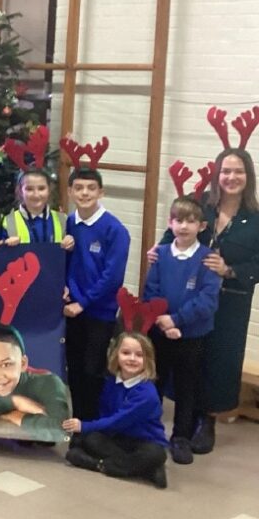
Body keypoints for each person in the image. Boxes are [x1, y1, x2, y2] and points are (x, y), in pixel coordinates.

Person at [151, 147, 259, 453]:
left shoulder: (255, 219)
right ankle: (186, 415)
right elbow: (174, 232)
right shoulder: (202, 207)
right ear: (216, 174)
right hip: (190, 298)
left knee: (219, 360)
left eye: (239, 171)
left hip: (231, 302)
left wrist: (231, 270)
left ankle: (207, 419)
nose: (231, 177)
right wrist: (158, 250)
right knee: (190, 356)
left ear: (248, 176)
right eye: (226, 171)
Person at [143, 196, 221, 464]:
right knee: (155, 384)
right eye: (178, 220)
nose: (184, 226)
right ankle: (149, 432)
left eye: (190, 221)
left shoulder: (208, 259)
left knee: (187, 389)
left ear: (201, 226)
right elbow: (150, 291)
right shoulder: (160, 255)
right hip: (159, 332)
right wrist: (162, 321)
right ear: (170, 223)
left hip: (192, 336)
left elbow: (208, 300)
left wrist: (177, 320)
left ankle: (181, 438)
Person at [63, 167, 130, 422]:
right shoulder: (68, 223)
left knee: (93, 371)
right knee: (75, 370)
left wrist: (83, 302)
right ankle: (79, 422)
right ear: (70, 192)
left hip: (98, 313)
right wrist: (65, 289)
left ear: (101, 192)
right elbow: (63, 264)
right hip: (71, 310)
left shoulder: (115, 230)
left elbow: (112, 277)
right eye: (78, 188)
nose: (84, 193)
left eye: (91, 188)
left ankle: (93, 425)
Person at [62, 332, 168, 489]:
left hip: (144, 441)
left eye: (139, 355)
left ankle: (97, 465)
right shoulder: (112, 382)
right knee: (87, 440)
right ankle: (144, 469)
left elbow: (118, 420)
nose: (132, 359)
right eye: (126, 353)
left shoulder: (147, 394)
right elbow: (105, 414)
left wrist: (83, 425)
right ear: (116, 355)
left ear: (147, 360)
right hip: (117, 437)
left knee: (155, 454)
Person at [2, 169, 75, 248]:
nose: (36, 194)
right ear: (20, 191)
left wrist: (71, 245)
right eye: (29, 189)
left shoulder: (63, 219)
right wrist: (5, 245)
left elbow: (71, 255)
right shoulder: (9, 221)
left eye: (41, 188)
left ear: (49, 190)